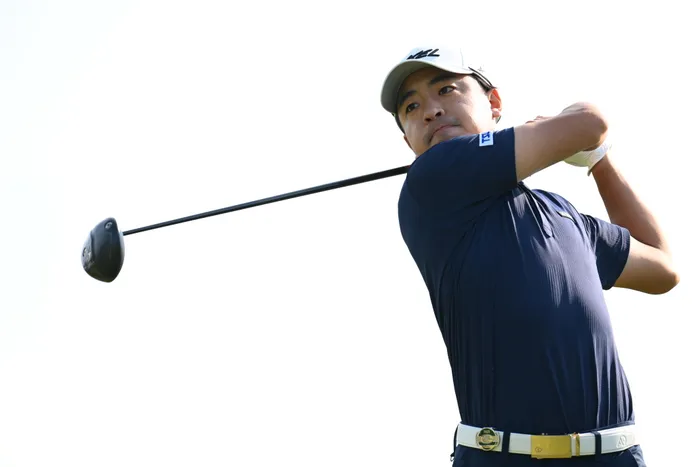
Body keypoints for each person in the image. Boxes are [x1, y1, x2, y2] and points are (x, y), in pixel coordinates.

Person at [380, 45, 679, 466]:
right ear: (408, 139)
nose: (430, 111)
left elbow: (663, 269)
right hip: (504, 455)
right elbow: (590, 122)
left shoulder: (561, 212)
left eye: (446, 89)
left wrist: (599, 161)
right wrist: (564, 129)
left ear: (494, 103)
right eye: (411, 107)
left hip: (615, 455)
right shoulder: (433, 177)